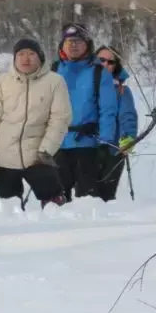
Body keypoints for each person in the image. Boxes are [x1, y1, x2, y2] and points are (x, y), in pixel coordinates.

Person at [0, 38, 72, 208]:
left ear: (40, 58)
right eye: (21, 54)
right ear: (14, 58)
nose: (26, 58)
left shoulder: (55, 82)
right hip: (4, 159)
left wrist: (46, 150)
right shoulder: (0, 84)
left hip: (38, 157)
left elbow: (60, 119)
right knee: (7, 211)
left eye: (31, 54)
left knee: (55, 207)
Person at [51, 23, 119, 201]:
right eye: (69, 41)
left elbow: (108, 110)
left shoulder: (99, 73)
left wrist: (105, 142)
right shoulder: (52, 70)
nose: (73, 45)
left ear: (88, 45)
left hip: (87, 145)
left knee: (88, 202)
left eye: (79, 41)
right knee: (55, 202)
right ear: (62, 45)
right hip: (56, 145)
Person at [95, 45, 139, 201]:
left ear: (116, 66)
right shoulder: (82, 87)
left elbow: (128, 116)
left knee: (104, 196)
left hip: (112, 149)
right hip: (83, 148)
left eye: (110, 62)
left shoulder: (121, 90)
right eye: (101, 60)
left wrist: (127, 138)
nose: (105, 64)